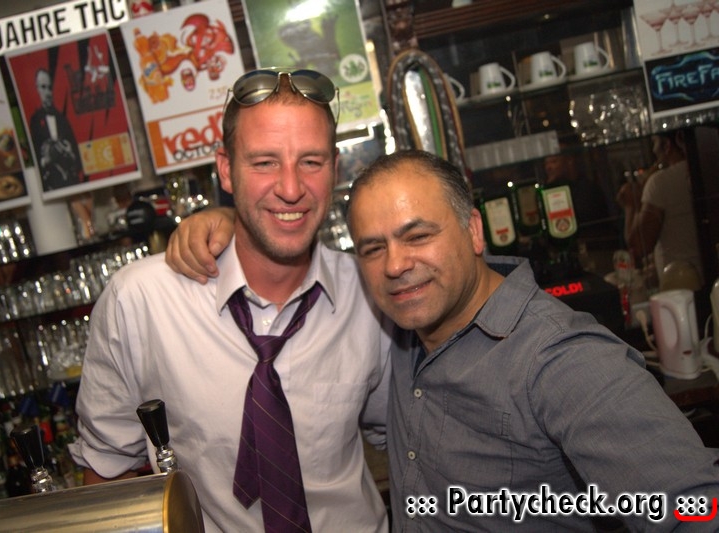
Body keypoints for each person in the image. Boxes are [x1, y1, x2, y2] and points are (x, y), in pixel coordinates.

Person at [170, 150, 719, 530]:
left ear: (474, 231)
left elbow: (696, 508)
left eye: (418, 235)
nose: (396, 265)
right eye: (373, 248)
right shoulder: (403, 333)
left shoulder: (559, 359)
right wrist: (229, 223)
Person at [69, 69, 391, 533]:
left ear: (335, 168)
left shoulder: (372, 293)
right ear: (225, 169)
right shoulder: (141, 301)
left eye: (311, 161)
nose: (291, 188)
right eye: (264, 162)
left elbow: (410, 435)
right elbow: (106, 476)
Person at [616, 131, 704, 288]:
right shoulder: (706, 167)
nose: (653, 150)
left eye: (655, 142)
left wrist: (631, 205)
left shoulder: (660, 182)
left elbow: (638, 246)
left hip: (679, 283)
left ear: (667, 145)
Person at [29, 68, 83, 191]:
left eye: (50, 88)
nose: (48, 93)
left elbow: (78, 159)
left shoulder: (62, 119)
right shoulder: (35, 120)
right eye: (43, 87)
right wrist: (46, 161)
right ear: (37, 89)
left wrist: (70, 153)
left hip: (69, 183)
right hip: (48, 185)